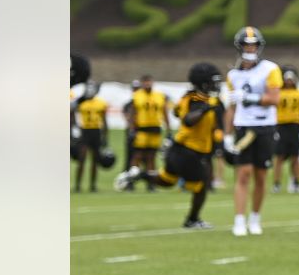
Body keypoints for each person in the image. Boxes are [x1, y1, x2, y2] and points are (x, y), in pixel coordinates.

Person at [117, 62, 225, 228]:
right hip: (189, 151)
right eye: (213, 81)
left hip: (184, 149)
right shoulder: (196, 99)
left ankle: (139, 175)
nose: (216, 84)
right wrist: (205, 109)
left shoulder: (203, 99)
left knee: (167, 181)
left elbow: (177, 112)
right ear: (203, 82)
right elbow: (188, 120)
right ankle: (192, 219)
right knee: (201, 186)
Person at [223, 27, 283, 236]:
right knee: (243, 173)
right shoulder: (233, 74)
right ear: (240, 47)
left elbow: (274, 99)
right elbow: (231, 107)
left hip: (265, 126)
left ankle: (255, 217)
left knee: (260, 175)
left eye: (254, 45)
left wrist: (249, 98)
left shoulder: (270, 69)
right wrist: (227, 135)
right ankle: (239, 219)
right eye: (247, 45)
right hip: (243, 126)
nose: (251, 48)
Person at [127, 74, 171, 191]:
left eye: (149, 81)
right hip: (142, 129)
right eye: (145, 82)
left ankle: (151, 183)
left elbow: (165, 113)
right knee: (137, 156)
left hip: (155, 129)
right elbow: (132, 114)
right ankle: (131, 181)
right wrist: (131, 129)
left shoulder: (159, 96)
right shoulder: (137, 96)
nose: (148, 84)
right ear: (142, 83)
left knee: (151, 157)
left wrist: (169, 129)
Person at [272, 66, 299, 193]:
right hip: (281, 126)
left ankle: (296, 182)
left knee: (295, 157)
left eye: (291, 79)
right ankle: (276, 183)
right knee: (279, 157)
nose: (289, 82)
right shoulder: (278, 93)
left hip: (294, 126)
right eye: (287, 79)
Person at [72, 81, 109, 192]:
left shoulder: (101, 103)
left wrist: (105, 136)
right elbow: (72, 113)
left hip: (96, 131)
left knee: (95, 160)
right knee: (82, 159)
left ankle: (93, 185)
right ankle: (78, 185)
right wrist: (75, 129)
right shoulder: (81, 101)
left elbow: (104, 120)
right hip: (85, 131)